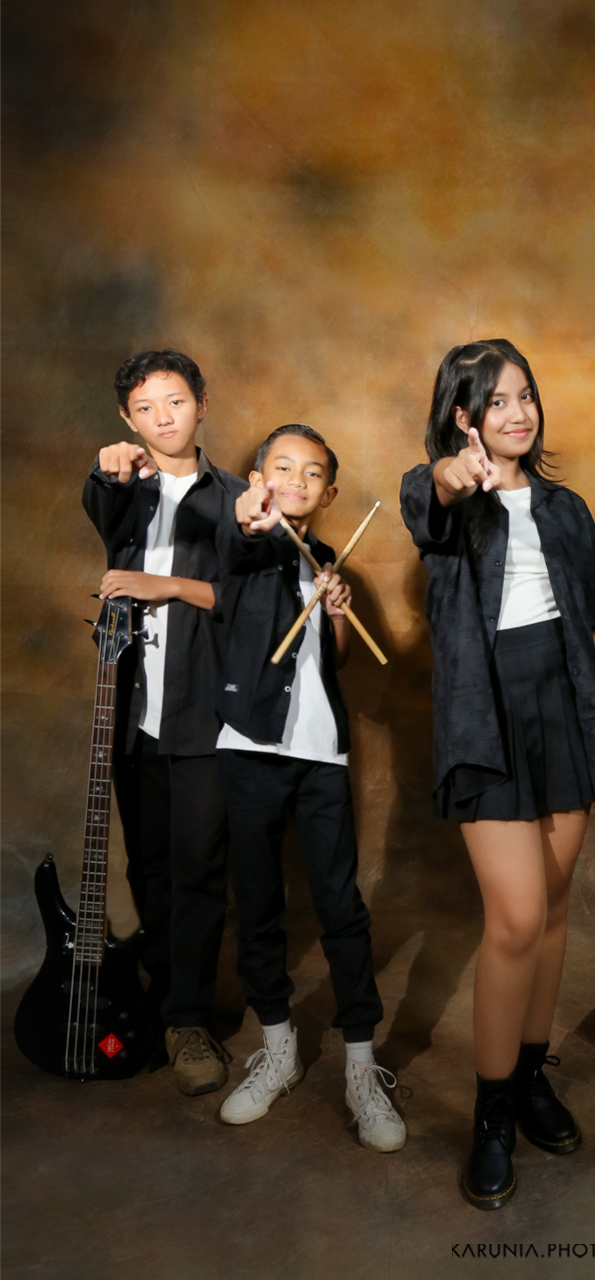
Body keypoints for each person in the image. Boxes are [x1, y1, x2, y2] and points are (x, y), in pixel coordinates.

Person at [400, 340, 595, 1210]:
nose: (518, 412)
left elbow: (589, 619)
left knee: (554, 910)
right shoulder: (442, 492)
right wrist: (457, 476)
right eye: (496, 401)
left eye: (525, 395)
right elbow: (432, 498)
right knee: (517, 917)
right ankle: (491, 1115)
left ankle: (531, 1079)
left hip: (563, 708)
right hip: (483, 717)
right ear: (464, 416)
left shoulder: (567, 510)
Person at [213, 424, 405, 1152]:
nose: (296, 479)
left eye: (312, 472)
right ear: (257, 478)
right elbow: (236, 542)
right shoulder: (247, 538)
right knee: (258, 902)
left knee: (340, 906)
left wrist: (336, 612)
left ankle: (360, 1066)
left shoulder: (326, 557)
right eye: (282, 467)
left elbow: (337, 658)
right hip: (249, 748)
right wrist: (249, 518)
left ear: (330, 492)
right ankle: (279, 1049)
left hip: (321, 755)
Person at [83, 349, 246, 1097]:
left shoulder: (238, 498)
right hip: (128, 712)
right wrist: (107, 469)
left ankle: (187, 1018)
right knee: (146, 863)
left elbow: (250, 600)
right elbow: (101, 501)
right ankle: (158, 994)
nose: (162, 418)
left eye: (175, 401)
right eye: (145, 409)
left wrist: (168, 584)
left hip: (204, 712)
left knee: (197, 867)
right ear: (127, 418)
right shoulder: (126, 488)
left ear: (202, 404)